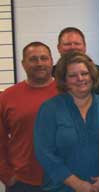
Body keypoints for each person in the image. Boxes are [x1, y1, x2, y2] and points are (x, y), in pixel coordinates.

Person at [34, 52, 99, 192]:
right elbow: (44, 153)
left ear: (92, 76)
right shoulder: (49, 109)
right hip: (60, 187)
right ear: (64, 80)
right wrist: (76, 183)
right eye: (72, 75)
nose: (80, 79)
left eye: (84, 73)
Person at [0, 42, 58, 192]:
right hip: (23, 182)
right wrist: (7, 175)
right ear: (23, 64)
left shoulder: (67, 93)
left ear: (52, 61)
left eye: (44, 58)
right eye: (33, 59)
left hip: (64, 180)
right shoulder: (7, 97)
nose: (39, 63)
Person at [55, 27, 99, 97]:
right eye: (67, 44)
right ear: (58, 48)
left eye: (77, 43)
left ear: (85, 47)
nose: (73, 47)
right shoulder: (51, 74)